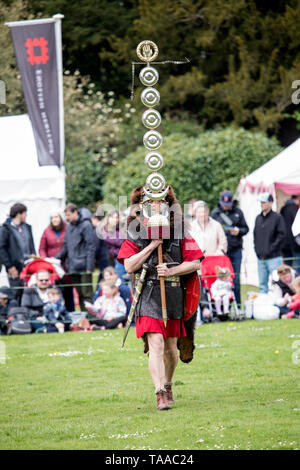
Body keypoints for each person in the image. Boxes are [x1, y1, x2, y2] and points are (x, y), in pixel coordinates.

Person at [117, 186, 204, 411]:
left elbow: (195, 262)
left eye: (161, 203)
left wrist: (173, 271)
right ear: (142, 207)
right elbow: (128, 265)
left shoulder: (180, 231)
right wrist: (152, 246)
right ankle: (159, 392)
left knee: (170, 346)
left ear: (168, 205)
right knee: (155, 343)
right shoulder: (135, 232)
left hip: (173, 292)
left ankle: (168, 383)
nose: (156, 207)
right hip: (147, 293)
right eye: (150, 203)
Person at [211, 190, 249, 309]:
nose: (226, 206)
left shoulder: (238, 212)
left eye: (228, 204)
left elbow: (246, 229)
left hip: (236, 250)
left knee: (235, 279)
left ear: (232, 201)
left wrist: (239, 231)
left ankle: (238, 307)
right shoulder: (215, 214)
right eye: (224, 203)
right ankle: (221, 308)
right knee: (220, 280)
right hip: (221, 253)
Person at [55, 203, 95, 311]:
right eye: (66, 215)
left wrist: (89, 267)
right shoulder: (69, 227)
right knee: (80, 294)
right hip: (72, 266)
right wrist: (54, 258)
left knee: (87, 294)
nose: (66, 218)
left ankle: (90, 319)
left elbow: (91, 247)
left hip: (84, 266)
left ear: (75, 212)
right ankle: (84, 319)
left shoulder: (86, 225)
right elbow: (66, 247)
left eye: (68, 215)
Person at [39, 211, 74, 311]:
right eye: (53, 217)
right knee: (55, 290)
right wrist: (46, 260)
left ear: (61, 218)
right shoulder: (47, 231)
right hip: (52, 266)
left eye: (57, 217)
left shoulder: (68, 228)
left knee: (68, 290)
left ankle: (70, 313)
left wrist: (58, 258)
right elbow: (42, 248)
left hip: (66, 264)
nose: (55, 219)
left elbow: (68, 245)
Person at [0, 203, 36, 303]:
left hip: (29, 266)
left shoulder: (27, 227)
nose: (26, 216)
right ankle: (16, 315)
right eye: (25, 213)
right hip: (15, 267)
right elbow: (1, 249)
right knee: (16, 293)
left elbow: (31, 246)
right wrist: (9, 266)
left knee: (30, 292)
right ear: (19, 214)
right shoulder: (5, 229)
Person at [254, 192, 286, 293]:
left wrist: (272, 248)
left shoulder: (277, 217)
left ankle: (278, 306)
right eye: (261, 202)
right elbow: (255, 235)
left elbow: (281, 235)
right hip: (261, 258)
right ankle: (263, 306)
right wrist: (257, 250)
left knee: (277, 283)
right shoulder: (258, 218)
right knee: (262, 285)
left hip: (274, 257)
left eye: (264, 202)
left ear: (270, 203)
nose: (262, 204)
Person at [99, 210, 126, 282]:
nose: (116, 220)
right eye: (113, 217)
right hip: (115, 259)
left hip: (125, 257)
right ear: (108, 218)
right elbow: (119, 242)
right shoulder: (105, 230)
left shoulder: (120, 228)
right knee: (120, 281)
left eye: (117, 217)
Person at [280, 195, 300, 273]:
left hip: (284, 243)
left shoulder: (282, 209)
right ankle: (296, 283)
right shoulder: (296, 209)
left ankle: (288, 284)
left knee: (287, 267)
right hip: (295, 243)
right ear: (297, 199)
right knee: (297, 266)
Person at [91, 211, 109, 281]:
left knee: (103, 274)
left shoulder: (97, 229)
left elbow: (96, 245)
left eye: (92, 220)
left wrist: (93, 257)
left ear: (95, 219)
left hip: (102, 256)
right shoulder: (105, 227)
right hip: (108, 254)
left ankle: (98, 290)